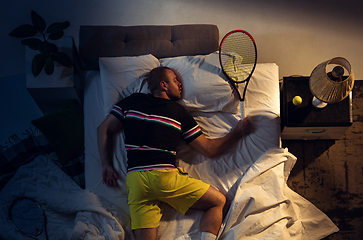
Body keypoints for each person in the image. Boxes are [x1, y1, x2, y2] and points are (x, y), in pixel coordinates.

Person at [97, 66, 250, 240]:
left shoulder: (132, 101)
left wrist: (106, 165)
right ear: (164, 85)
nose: (180, 84)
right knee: (218, 202)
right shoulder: (178, 112)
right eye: (175, 80)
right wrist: (237, 132)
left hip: (136, 181)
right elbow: (208, 149)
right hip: (163, 177)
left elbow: (103, 128)